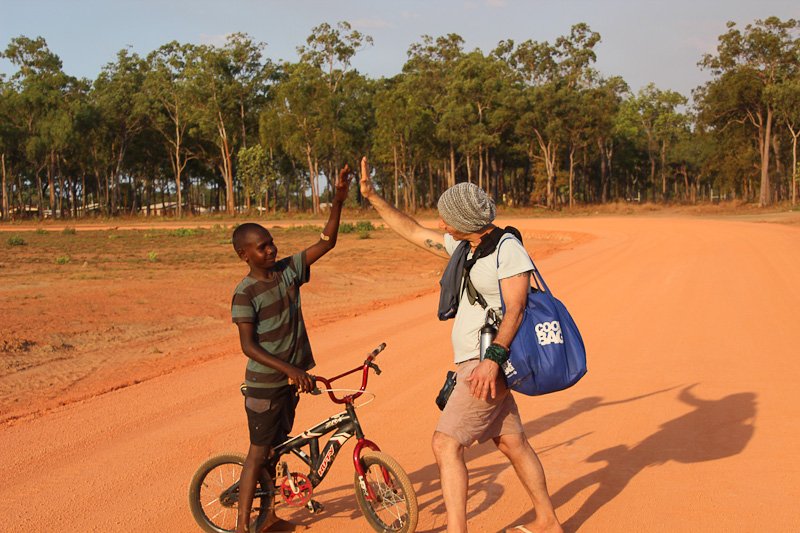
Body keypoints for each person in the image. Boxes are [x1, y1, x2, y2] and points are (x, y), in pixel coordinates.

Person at [359, 157, 562, 533]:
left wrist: (492, 361)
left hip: (487, 363)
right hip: (478, 362)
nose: (440, 224)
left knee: (445, 444)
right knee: (512, 443)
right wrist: (373, 197)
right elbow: (414, 231)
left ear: (465, 220)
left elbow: (516, 308)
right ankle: (549, 522)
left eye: (446, 217)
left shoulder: (506, 249)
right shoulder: (466, 248)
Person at [231, 165, 352, 533]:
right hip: (267, 385)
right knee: (257, 454)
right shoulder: (244, 292)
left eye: (271, 242)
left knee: (275, 449)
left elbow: (327, 242)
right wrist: (290, 370)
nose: (272, 249)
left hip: (289, 383)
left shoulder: (288, 272)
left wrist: (338, 200)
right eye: (262, 246)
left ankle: (268, 517)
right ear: (245, 255)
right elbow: (248, 347)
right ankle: (242, 527)